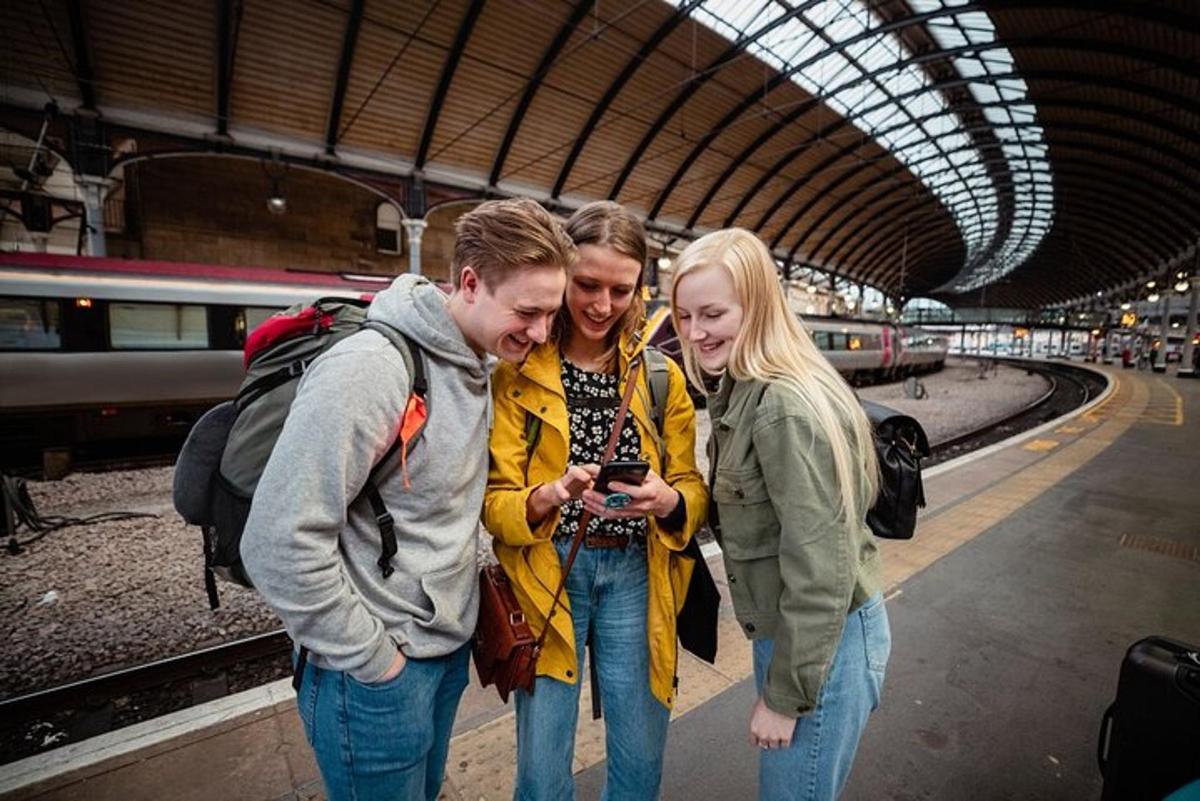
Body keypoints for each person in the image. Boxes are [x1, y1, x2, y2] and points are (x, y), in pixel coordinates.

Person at [240, 198, 574, 801]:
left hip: (441, 654)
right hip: (372, 674)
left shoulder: (477, 362)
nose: (542, 332)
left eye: (551, 314)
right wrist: (375, 661)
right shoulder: (372, 369)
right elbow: (277, 539)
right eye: (528, 311)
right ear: (470, 283)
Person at [483, 200, 707, 801]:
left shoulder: (662, 377)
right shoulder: (516, 373)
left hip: (637, 574)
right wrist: (548, 495)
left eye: (620, 289)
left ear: (639, 289)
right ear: (563, 273)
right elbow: (496, 505)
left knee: (639, 751)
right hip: (547, 572)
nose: (601, 305)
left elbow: (694, 491)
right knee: (542, 759)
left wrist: (666, 500)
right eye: (586, 284)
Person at [670, 228, 891, 801]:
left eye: (713, 314)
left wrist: (785, 697)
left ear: (758, 305)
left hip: (824, 642)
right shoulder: (742, 391)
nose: (695, 333)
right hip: (804, 636)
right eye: (685, 315)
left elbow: (821, 568)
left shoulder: (780, 407)